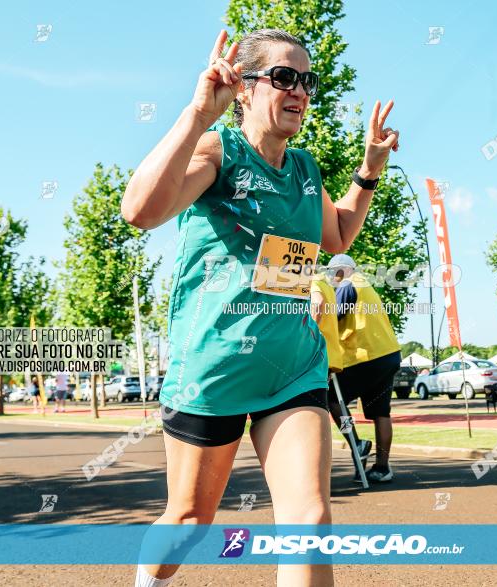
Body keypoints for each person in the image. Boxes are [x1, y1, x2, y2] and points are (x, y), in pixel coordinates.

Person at [121, 28, 399, 587]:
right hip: (214, 369)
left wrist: (368, 172)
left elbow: (338, 235)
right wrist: (199, 114)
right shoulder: (217, 152)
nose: (298, 90)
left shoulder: (303, 168)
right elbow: (140, 211)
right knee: (189, 522)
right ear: (243, 88)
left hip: (292, 367)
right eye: (283, 77)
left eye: (306, 81)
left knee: (310, 522)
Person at [327, 254, 402, 483]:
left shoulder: (349, 285)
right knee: (381, 412)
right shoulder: (366, 285)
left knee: (331, 399)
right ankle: (382, 468)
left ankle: (356, 443)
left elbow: (332, 318)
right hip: (388, 355)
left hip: (366, 355)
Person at [310, 269, 372, 477]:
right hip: (329, 355)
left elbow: (317, 304)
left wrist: (308, 333)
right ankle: (356, 442)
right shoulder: (325, 282)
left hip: (315, 355)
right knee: (333, 404)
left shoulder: (313, 280)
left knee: (313, 410)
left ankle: (316, 470)